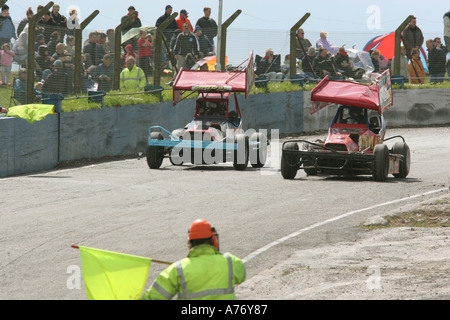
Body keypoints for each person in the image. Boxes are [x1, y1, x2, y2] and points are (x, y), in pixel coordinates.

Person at [141, 219, 246, 300]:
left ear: (190, 243)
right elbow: (241, 276)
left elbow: (154, 297)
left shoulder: (178, 269)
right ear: (213, 240)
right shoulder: (230, 262)